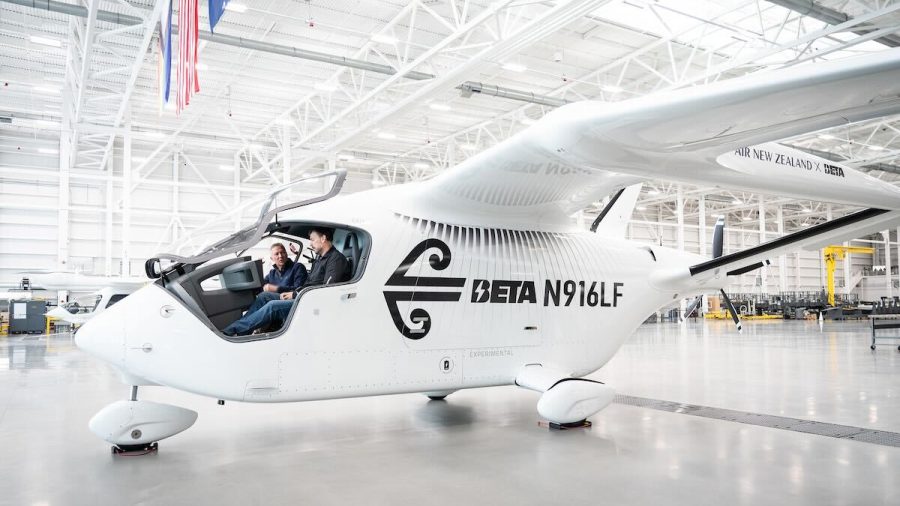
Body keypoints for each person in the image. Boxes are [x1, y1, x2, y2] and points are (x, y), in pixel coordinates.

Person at [222, 227, 350, 336]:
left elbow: (325, 290)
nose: (310, 244)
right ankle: (240, 330)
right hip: (303, 296)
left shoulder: (336, 259)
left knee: (272, 306)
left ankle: (232, 332)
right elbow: (310, 284)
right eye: (276, 254)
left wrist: (294, 294)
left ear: (323, 238)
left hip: (311, 302)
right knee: (263, 296)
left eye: (312, 240)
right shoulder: (320, 259)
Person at [244, 243, 309, 317]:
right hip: (277, 302)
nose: (280, 256)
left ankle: (240, 325)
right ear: (272, 258)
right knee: (260, 297)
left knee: (264, 296)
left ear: (286, 254)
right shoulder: (272, 273)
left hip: (293, 301)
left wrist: (277, 289)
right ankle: (244, 322)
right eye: (276, 254)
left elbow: (300, 289)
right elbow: (260, 287)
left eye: (282, 252)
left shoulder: (297, 267)